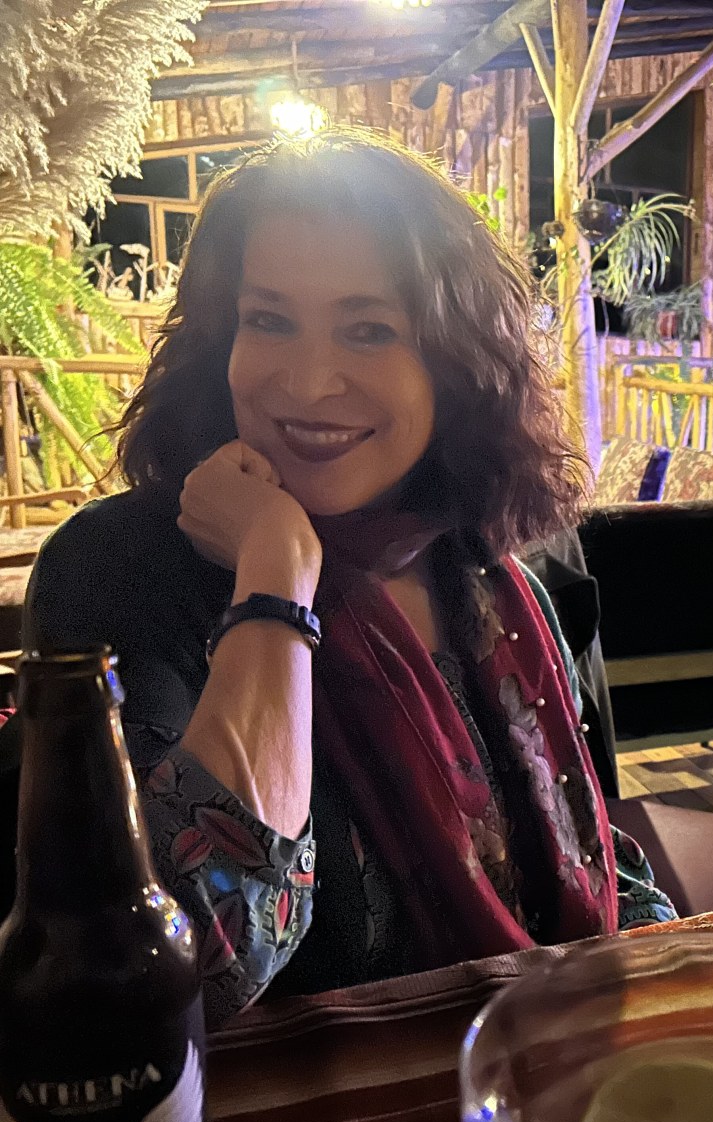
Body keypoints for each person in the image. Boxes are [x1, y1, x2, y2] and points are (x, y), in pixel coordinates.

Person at [19, 128, 676, 1028]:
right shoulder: (116, 572)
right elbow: (195, 959)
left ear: (453, 364)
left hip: (544, 1073)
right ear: (221, 338)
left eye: (369, 330)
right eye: (269, 319)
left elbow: (599, 850)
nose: (309, 382)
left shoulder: (494, 579)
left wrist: (681, 999)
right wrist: (275, 578)